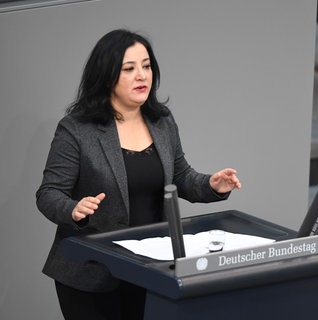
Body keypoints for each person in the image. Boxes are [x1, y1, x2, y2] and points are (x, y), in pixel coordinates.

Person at [36, 29, 241, 320]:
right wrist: (74, 209)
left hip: (150, 271)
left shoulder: (162, 121)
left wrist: (212, 184)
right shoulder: (76, 129)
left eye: (146, 66)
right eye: (129, 69)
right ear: (107, 76)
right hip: (91, 274)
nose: (142, 75)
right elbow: (48, 193)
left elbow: (180, 177)